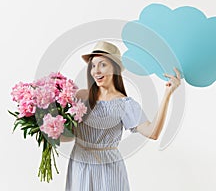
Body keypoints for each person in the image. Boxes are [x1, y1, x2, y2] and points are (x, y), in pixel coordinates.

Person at [62, 41, 181, 191]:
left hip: (109, 170)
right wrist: (48, 127)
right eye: (93, 65)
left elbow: (153, 132)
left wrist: (167, 94)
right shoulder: (81, 97)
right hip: (80, 165)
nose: (96, 71)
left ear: (115, 68)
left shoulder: (125, 104)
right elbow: (70, 136)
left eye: (103, 64)